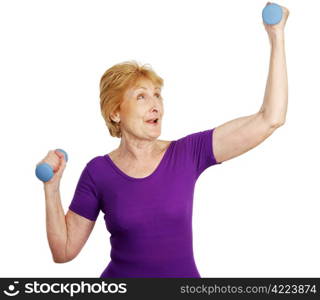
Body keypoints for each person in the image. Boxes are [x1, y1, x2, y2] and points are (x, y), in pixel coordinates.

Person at [38, 3, 289, 277]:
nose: (155, 104)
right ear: (115, 112)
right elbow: (63, 251)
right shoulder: (98, 173)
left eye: (157, 95)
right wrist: (51, 188)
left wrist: (276, 35)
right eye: (141, 96)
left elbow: (270, 118)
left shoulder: (188, 153)